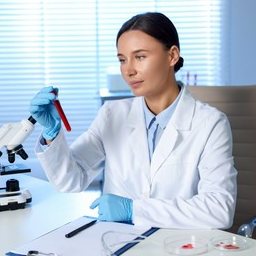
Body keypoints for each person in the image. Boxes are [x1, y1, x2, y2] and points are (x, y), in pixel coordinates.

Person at [29, 12, 237, 229]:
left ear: (172, 56)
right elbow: (71, 180)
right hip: (116, 241)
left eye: (140, 57)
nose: (128, 70)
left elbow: (219, 210)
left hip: (179, 245)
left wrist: (133, 210)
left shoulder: (211, 124)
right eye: (122, 60)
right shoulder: (111, 114)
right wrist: (52, 135)